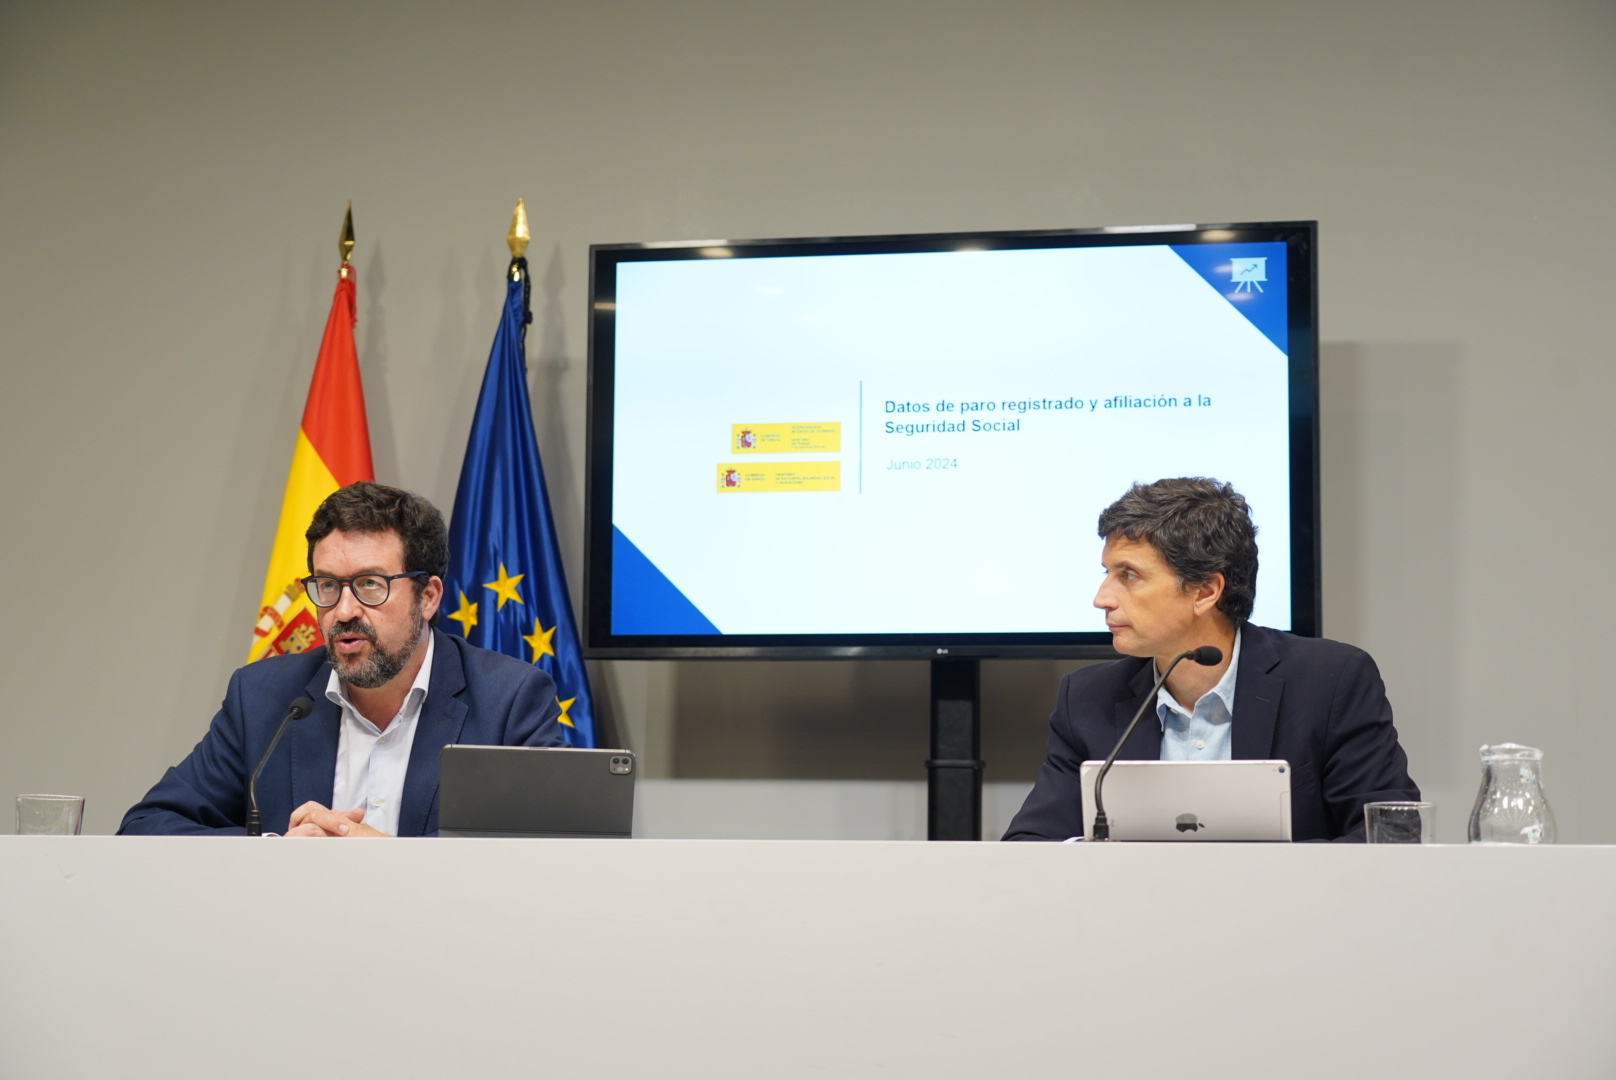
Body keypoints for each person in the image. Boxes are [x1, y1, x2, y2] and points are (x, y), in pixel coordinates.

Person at [120, 482, 566, 837]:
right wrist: (275, 854)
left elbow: (550, 853)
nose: (345, 610)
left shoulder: (508, 701)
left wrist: (387, 863)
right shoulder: (264, 699)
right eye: (328, 586)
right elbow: (147, 825)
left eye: (370, 584)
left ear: (428, 597)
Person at [1003, 477, 1418, 842]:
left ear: (1205, 591)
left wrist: (1246, 880)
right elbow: (1030, 843)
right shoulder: (1087, 697)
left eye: (1128, 576)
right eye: (1106, 574)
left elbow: (1390, 834)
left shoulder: (1329, 681)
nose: (1102, 599)